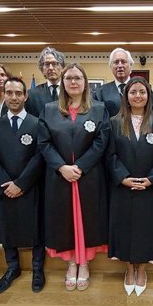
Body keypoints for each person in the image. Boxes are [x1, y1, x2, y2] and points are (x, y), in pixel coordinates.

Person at [38, 63, 111, 291]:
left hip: (88, 177)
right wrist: (61, 167)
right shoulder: (49, 109)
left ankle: (85, 263)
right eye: (68, 78)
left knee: (87, 219)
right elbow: (44, 142)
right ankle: (71, 263)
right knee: (65, 221)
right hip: (60, 178)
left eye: (78, 78)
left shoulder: (98, 109)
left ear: (85, 82)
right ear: (62, 82)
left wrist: (80, 166)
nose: (73, 82)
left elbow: (102, 141)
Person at [106, 77, 153, 297]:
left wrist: (152, 178)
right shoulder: (114, 122)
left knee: (147, 230)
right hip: (123, 188)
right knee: (125, 229)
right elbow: (110, 155)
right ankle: (128, 269)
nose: (138, 96)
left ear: (148, 95)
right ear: (126, 96)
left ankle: (141, 270)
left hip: (150, 187)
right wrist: (122, 177)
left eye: (142, 92)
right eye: (133, 92)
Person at [0, 77, 45, 294]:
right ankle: (13, 268)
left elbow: (40, 156)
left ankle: (38, 268)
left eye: (18, 93)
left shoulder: (37, 124)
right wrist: (5, 185)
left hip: (30, 187)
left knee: (37, 228)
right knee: (7, 228)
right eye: (9, 93)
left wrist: (21, 183)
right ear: (4, 95)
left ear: (25, 96)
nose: (13, 97)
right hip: (4, 189)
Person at [25, 47, 66, 117]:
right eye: (47, 64)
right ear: (42, 69)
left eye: (54, 63)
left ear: (62, 68)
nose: (50, 68)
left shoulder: (70, 91)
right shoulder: (32, 95)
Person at [94, 48, 133, 116]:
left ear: (130, 65)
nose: (120, 66)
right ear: (111, 66)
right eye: (116, 62)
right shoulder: (100, 92)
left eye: (123, 62)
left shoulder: (143, 89)